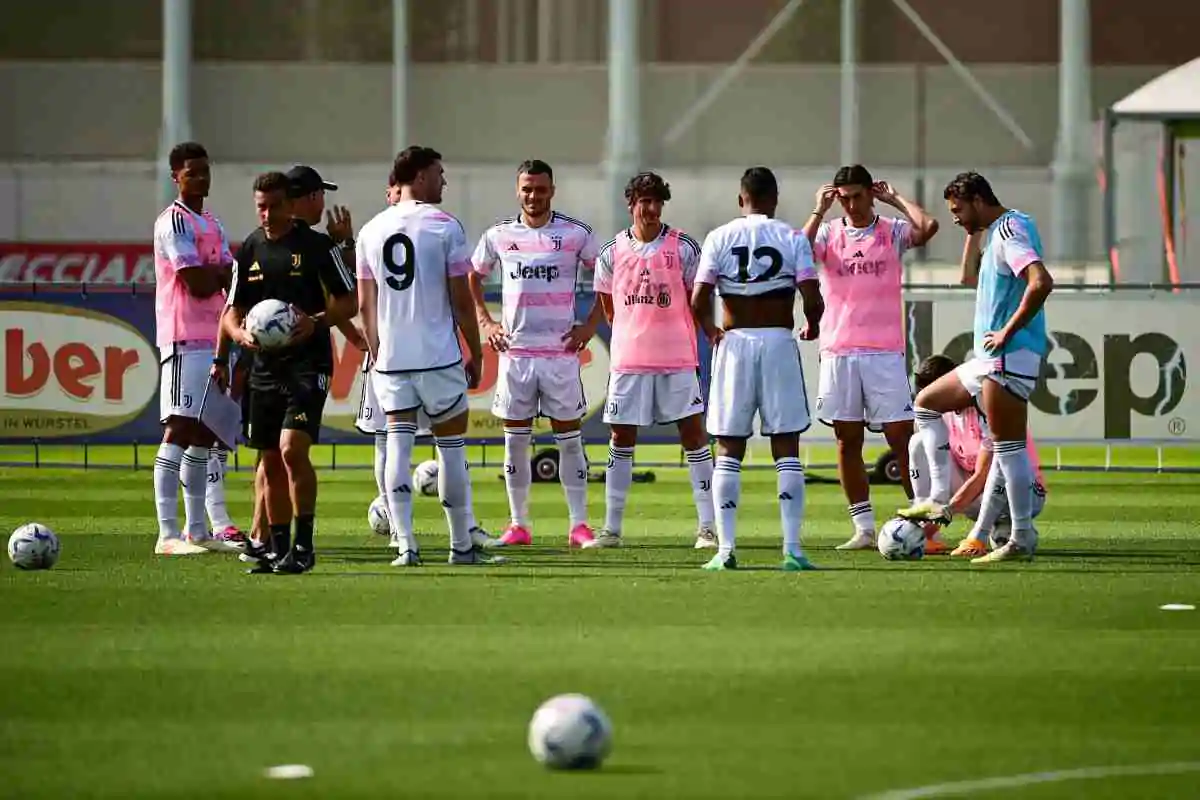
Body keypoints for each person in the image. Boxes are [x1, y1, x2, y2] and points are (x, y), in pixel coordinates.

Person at [357, 145, 503, 567]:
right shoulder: (444, 227)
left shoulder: (370, 231)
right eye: (439, 173)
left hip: (392, 360)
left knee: (397, 448)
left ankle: (406, 546)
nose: (444, 181)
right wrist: (473, 351)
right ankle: (460, 547)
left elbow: (367, 306)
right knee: (451, 448)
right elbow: (461, 300)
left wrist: (376, 351)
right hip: (437, 357)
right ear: (419, 177)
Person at [898, 172, 1054, 564]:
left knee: (1008, 449)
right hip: (987, 360)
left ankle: (1021, 536)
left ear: (979, 200)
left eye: (958, 210)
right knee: (927, 402)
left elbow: (1041, 282)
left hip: (1006, 356)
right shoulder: (996, 229)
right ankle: (936, 497)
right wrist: (973, 229)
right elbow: (968, 278)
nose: (953, 218)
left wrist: (1006, 331)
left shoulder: (1009, 231)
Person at [214, 170, 358, 574]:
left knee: (293, 449)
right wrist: (239, 334)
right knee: (270, 459)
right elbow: (231, 311)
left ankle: (304, 545)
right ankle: (277, 549)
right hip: (264, 367)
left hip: (309, 364)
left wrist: (315, 321)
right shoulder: (250, 249)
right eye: (260, 206)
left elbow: (349, 303)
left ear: (289, 204)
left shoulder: (316, 248)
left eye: (274, 205)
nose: (266, 213)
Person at [691, 166, 824, 572]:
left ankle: (726, 549)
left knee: (730, 445)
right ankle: (793, 549)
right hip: (778, 343)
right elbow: (812, 295)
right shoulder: (792, 237)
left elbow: (699, 298)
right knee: (786, 444)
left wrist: (712, 330)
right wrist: (813, 324)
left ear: (740, 199)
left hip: (735, 344)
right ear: (775, 199)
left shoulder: (719, 236)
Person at [468, 159, 604, 549]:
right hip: (516, 355)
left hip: (560, 354)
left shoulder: (576, 234)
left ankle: (579, 526)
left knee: (570, 441)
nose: (533, 196)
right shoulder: (498, 234)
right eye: (527, 189)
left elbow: (607, 282)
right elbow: (471, 278)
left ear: (552, 191)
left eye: (540, 189)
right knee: (515, 442)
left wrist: (590, 326)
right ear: (517, 190)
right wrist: (487, 323)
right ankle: (518, 525)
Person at [804, 165, 939, 551]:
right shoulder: (829, 232)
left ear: (869, 193)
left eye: (857, 196)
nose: (851, 204)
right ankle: (863, 528)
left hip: (883, 352)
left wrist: (894, 197)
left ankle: (924, 525)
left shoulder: (891, 230)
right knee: (848, 441)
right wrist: (819, 210)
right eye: (843, 197)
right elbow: (797, 251)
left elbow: (928, 227)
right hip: (839, 350)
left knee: (904, 439)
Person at [589, 171, 715, 549]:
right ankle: (611, 529)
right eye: (644, 201)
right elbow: (607, 306)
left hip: (677, 359)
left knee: (693, 437)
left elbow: (698, 298)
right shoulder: (611, 253)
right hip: (629, 362)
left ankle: (707, 527)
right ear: (631, 205)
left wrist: (701, 330)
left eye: (657, 201)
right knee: (621, 437)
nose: (651, 208)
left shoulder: (684, 248)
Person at [152, 141, 244, 556]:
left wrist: (219, 274)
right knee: (179, 429)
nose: (202, 178)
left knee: (205, 436)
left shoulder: (213, 222)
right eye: (193, 172)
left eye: (206, 170)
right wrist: (218, 273)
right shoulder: (172, 222)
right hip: (183, 336)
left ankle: (197, 532)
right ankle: (166, 534)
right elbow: (199, 282)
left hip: (214, 340)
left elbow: (231, 277)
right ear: (177, 176)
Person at [907, 355, 1048, 557]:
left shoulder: (988, 405)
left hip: (1024, 494)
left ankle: (985, 534)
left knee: (998, 466)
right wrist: (926, 521)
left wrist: (946, 512)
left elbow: (983, 475)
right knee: (918, 442)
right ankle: (926, 530)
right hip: (976, 494)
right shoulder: (938, 414)